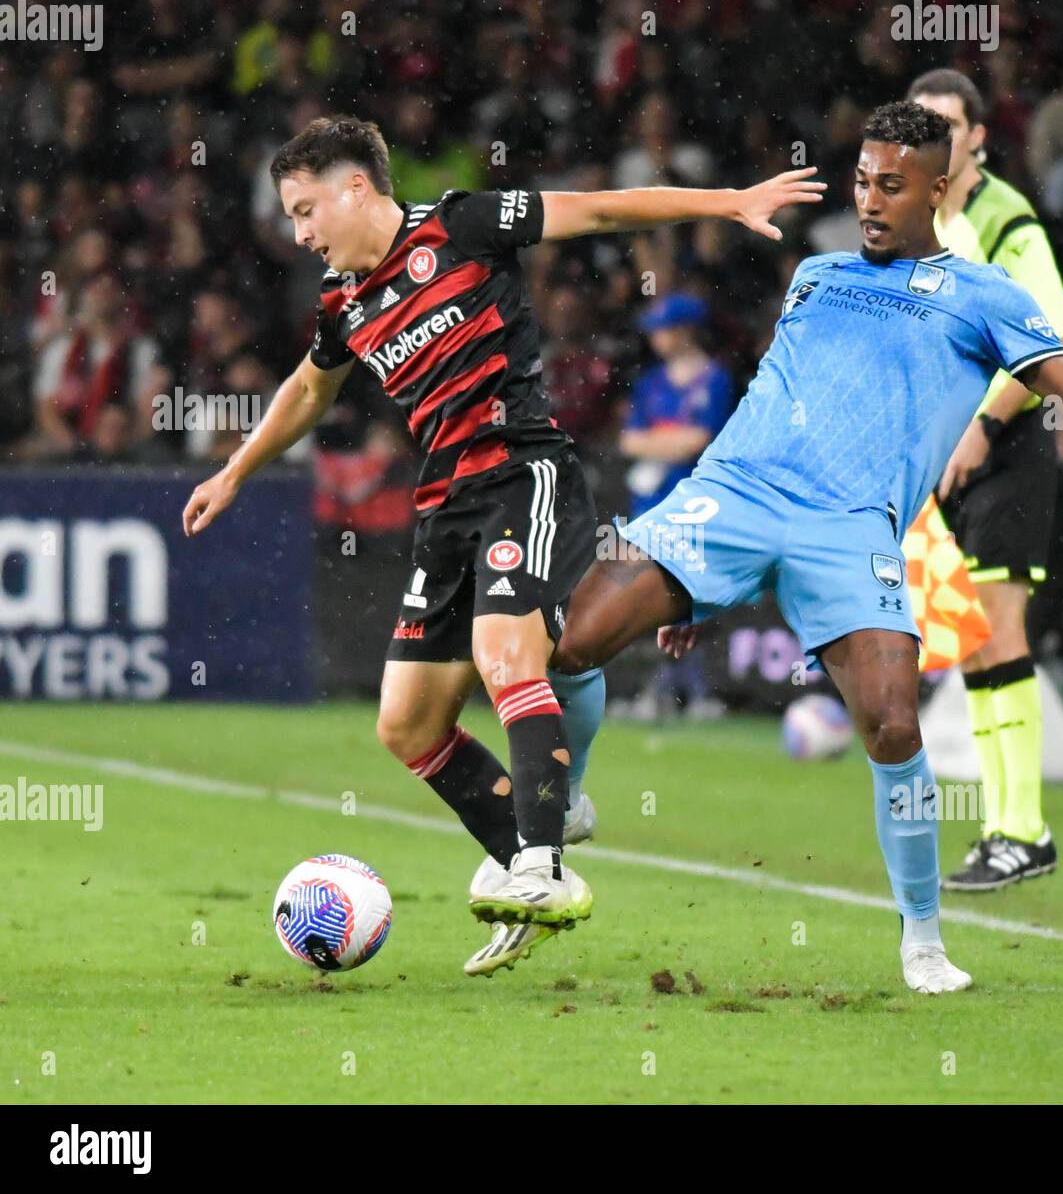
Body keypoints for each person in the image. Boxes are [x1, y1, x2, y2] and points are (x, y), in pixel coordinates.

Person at [550, 102, 1063, 995]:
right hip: (733, 495)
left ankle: (923, 939)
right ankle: (565, 804)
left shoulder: (987, 296)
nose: (869, 202)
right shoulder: (815, 273)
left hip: (850, 528)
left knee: (891, 722)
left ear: (939, 189)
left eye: (890, 186)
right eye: (860, 183)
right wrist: (699, 585)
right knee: (570, 640)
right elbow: (781, 399)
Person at [181, 115, 825, 976]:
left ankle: (541, 864)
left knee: (506, 656)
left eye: (305, 210)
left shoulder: (462, 227)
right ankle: (534, 832)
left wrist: (726, 202)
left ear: (355, 189)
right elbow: (308, 388)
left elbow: (598, 212)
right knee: (406, 724)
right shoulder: (346, 303)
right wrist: (236, 470)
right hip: (444, 507)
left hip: (525, 475)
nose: (299, 233)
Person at [908, 69, 1063, 891]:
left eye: (950, 123)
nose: (938, 135)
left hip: (1008, 449)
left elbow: (1054, 335)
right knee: (973, 644)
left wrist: (980, 427)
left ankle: (1024, 828)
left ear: (977, 134)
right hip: (952, 455)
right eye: (923, 124)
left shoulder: (1004, 219)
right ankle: (1006, 831)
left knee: (999, 632)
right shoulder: (917, 222)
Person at [621, 293, 734, 718]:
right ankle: (665, 691)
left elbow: (702, 440)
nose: (656, 337)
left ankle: (693, 691)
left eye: (664, 328)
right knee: (654, 601)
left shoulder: (716, 379)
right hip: (649, 505)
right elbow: (629, 440)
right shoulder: (650, 381)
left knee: (689, 600)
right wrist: (675, 442)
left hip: (693, 505)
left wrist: (661, 442)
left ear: (687, 330)